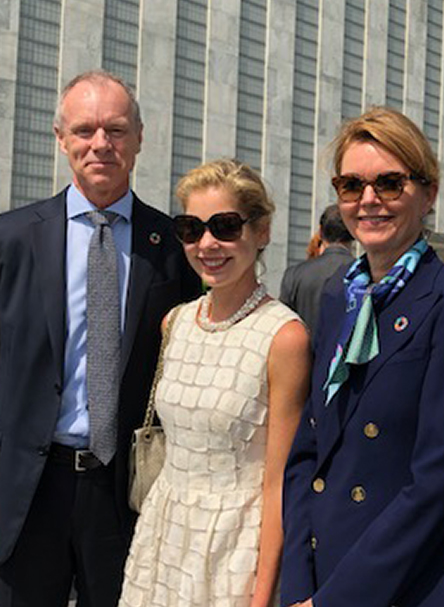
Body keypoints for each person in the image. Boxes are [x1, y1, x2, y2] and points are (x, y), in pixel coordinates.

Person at [0, 70, 200, 606]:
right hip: (28, 487)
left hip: (123, 492)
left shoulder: (171, 247)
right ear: (61, 138)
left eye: (116, 130)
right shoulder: (3, 240)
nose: (101, 144)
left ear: (139, 139)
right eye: (85, 129)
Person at [281, 107, 444, 607]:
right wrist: (298, 583)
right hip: (323, 571)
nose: (368, 200)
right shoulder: (340, 297)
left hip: (404, 582)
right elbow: (308, 451)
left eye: (390, 184)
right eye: (351, 185)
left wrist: (338, 599)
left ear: (428, 193)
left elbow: (438, 481)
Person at [120, 159, 310, 607]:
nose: (207, 244)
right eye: (191, 228)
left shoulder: (284, 337)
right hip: (163, 532)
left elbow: (279, 482)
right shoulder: (176, 322)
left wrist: (262, 594)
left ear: (260, 231)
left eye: (225, 227)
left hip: (235, 548)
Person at [279, 206, 355, 329]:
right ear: (353, 232)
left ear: (320, 232)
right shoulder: (364, 274)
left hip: (304, 347)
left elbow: (283, 324)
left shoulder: (295, 274)